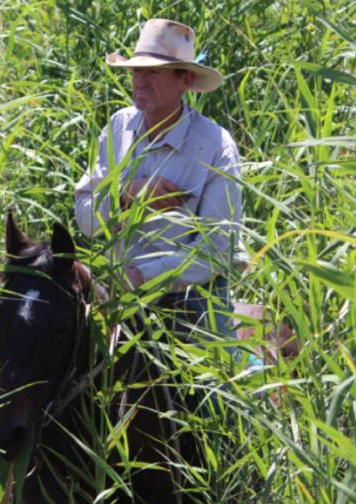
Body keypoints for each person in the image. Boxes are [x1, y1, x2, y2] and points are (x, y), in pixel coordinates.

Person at [74, 17, 242, 341]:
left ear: (186, 80)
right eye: (137, 70)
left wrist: (141, 275)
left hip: (190, 302)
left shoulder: (215, 146)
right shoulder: (118, 128)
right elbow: (86, 220)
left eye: (153, 72)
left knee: (218, 387)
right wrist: (126, 195)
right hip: (116, 298)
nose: (140, 81)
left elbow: (218, 250)